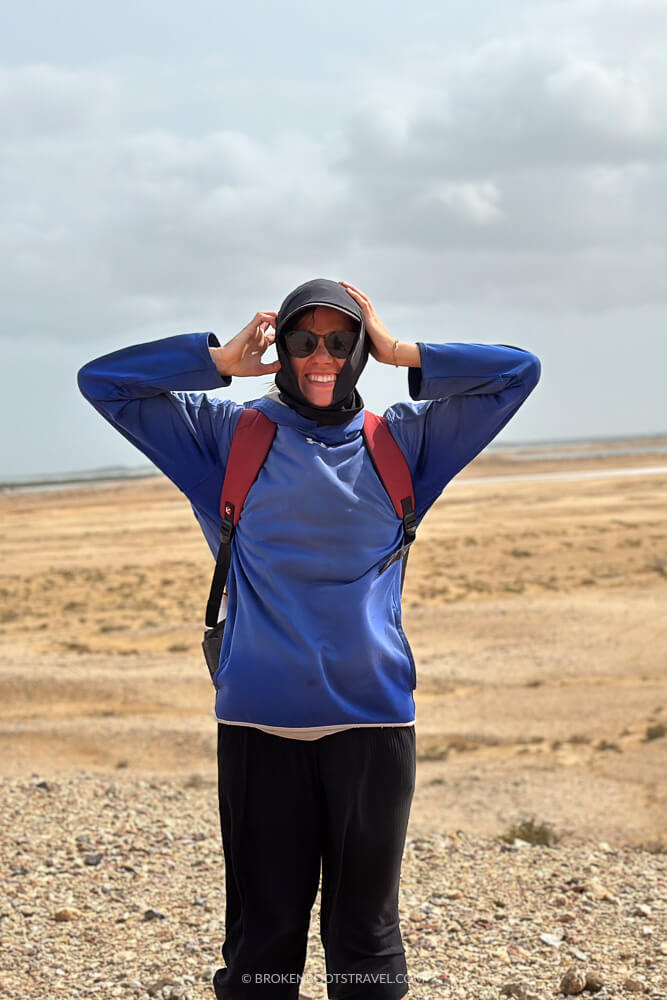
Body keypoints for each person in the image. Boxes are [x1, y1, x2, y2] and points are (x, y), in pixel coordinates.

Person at [77, 277, 541, 1000]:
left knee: (365, 945)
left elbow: (518, 372)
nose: (320, 356)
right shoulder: (226, 439)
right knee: (262, 948)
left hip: (374, 726)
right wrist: (217, 362)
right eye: (303, 339)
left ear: (359, 349)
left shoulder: (404, 444)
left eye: (340, 340)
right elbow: (101, 382)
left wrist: (400, 349)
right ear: (281, 346)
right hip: (260, 724)